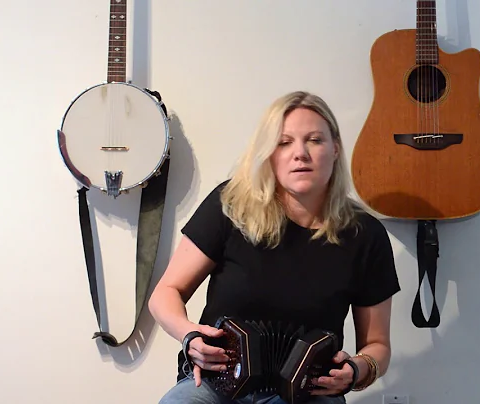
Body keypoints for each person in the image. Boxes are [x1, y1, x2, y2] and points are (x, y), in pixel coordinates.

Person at [148, 90, 401, 404]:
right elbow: (165, 292)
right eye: (284, 142)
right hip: (217, 385)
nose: (300, 153)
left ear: (335, 149)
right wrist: (188, 335)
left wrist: (357, 370)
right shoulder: (230, 205)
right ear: (269, 154)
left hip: (308, 394)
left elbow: (377, 345)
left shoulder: (365, 235)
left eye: (314, 140)